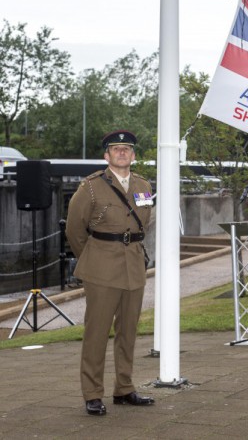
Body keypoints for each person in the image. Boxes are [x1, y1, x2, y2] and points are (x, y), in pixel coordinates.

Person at [66, 130, 155, 416]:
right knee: (97, 332)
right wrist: (92, 258)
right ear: (106, 156)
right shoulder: (90, 187)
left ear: (133, 155)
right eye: (115, 149)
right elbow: (74, 230)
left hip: (134, 264)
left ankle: (124, 388)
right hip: (102, 266)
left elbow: (144, 222)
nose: (121, 152)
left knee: (128, 331)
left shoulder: (143, 184)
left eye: (126, 148)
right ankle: (92, 393)